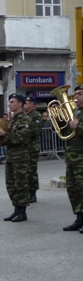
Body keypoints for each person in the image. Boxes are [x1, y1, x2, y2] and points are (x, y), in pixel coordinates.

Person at [0, 94, 33, 223]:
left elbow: (21, 137)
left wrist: (4, 134)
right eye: (9, 102)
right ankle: (16, 209)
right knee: (11, 184)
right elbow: (8, 138)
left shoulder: (25, 120)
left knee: (21, 183)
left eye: (12, 102)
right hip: (11, 155)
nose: (9, 104)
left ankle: (22, 211)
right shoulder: (12, 120)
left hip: (21, 156)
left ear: (20, 104)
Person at [62, 85, 83, 232]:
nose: (76, 97)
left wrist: (78, 126)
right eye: (75, 94)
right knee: (73, 189)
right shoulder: (75, 112)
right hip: (72, 158)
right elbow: (67, 132)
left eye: (80, 94)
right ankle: (79, 217)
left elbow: (77, 129)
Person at [24, 96, 42, 203]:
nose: (24, 105)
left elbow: (36, 132)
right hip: (24, 147)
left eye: (26, 103)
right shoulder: (24, 115)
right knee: (25, 170)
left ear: (32, 104)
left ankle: (33, 193)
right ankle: (26, 192)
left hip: (32, 147)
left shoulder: (36, 115)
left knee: (31, 170)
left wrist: (24, 130)